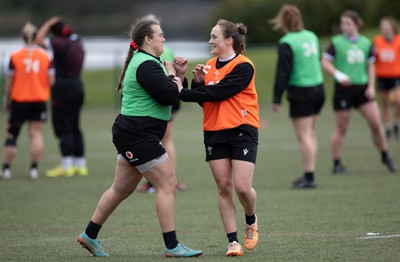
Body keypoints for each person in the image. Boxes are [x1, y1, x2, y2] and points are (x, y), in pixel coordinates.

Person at [75, 19, 202, 258]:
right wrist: (174, 73)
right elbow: (168, 97)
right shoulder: (146, 63)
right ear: (147, 40)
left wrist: (179, 75)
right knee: (167, 184)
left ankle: (89, 235)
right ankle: (172, 245)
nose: (164, 39)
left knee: (121, 189)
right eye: (160, 35)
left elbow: (170, 91)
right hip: (138, 135)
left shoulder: (149, 62)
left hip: (133, 133)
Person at [178, 19, 259, 257]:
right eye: (211, 37)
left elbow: (221, 92)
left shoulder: (244, 66)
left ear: (229, 40)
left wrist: (183, 92)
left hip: (242, 130)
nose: (210, 41)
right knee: (224, 187)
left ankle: (251, 219)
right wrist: (196, 82)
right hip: (214, 131)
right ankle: (233, 242)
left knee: (242, 188)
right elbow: (206, 99)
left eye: (214, 37)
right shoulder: (209, 66)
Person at [321, 10, 397, 174]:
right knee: (341, 128)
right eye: (342, 23)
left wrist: (371, 86)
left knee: (376, 124)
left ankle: (385, 156)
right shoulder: (336, 42)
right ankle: (337, 163)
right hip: (343, 90)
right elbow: (325, 61)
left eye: (347, 23)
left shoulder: (366, 43)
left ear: (356, 24)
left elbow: (370, 66)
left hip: (362, 89)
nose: (344, 26)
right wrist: (338, 74)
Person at [270, 5, 325, 189]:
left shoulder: (287, 41)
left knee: (304, 136)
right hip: (318, 88)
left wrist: (277, 99)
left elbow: (282, 73)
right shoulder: (312, 36)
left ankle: (309, 176)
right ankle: (310, 172)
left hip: (302, 91)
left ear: (283, 21)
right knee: (310, 134)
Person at [0, 22, 55, 180]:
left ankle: (6, 170)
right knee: (36, 134)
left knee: (12, 134)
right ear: (37, 36)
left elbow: (9, 82)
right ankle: (33, 169)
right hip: (39, 100)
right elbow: (51, 81)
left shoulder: (15, 56)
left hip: (19, 101)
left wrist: (6, 98)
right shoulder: (46, 56)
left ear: (22, 37)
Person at [35, 16, 88, 177]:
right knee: (75, 125)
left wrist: (49, 22)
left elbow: (39, 39)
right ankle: (80, 165)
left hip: (63, 88)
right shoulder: (78, 42)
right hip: (78, 86)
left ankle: (66, 165)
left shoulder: (60, 43)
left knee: (63, 126)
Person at [373, 17, 400, 140]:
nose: (384, 29)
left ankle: (397, 123)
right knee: (385, 103)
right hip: (382, 76)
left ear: (392, 27)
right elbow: (372, 58)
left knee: (399, 100)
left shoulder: (398, 41)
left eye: (386, 26)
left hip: (396, 75)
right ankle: (388, 126)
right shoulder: (377, 41)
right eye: (382, 26)